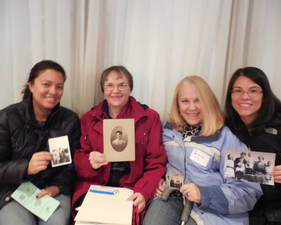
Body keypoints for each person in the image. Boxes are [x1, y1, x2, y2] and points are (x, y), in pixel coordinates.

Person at [143, 75, 262, 225]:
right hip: (171, 196)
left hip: (212, 209)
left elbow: (250, 191)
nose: (192, 107)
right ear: (178, 105)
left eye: (198, 100)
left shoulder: (229, 136)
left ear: (208, 102)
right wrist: (157, 180)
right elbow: (152, 160)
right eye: (185, 101)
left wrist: (204, 195)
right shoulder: (166, 128)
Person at [0, 60, 81, 225]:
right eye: (46, 84)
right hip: (11, 191)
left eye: (59, 87)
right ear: (31, 85)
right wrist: (25, 167)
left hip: (54, 189)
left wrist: (58, 187)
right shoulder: (7, 118)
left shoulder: (69, 120)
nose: (53, 92)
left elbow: (72, 165)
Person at [72, 66, 167, 223]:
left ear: (130, 89)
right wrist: (91, 163)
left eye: (122, 85)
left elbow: (156, 163)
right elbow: (78, 161)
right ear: (103, 89)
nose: (115, 90)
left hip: (131, 189)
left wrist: (143, 191)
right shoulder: (89, 118)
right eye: (109, 85)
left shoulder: (149, 118)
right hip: (95, 187)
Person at [225, 67, 281, 224]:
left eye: (253, 91)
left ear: (264, 96)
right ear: (230, 96)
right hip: (239, 212)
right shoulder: (226, 128)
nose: (245, 97)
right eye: (238, 90)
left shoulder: (278, 125)